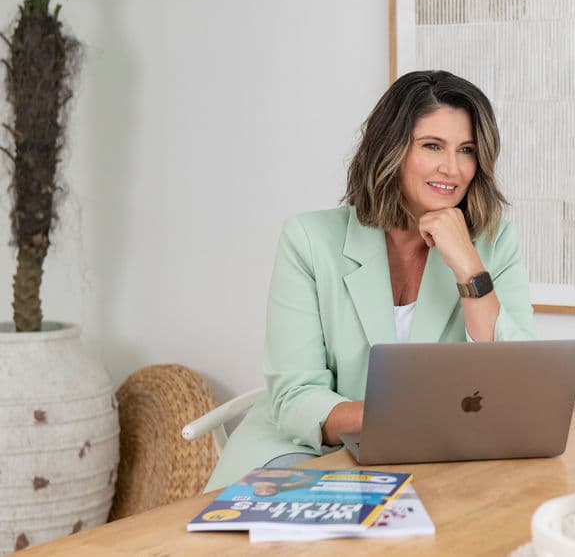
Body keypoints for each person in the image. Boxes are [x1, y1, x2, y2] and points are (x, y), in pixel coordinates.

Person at [205, 70, 536, 490]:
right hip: (305, 453)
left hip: (435, 460)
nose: (452, 168)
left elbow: (518, 385)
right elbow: (295, 395)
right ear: (391, 150)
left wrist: (469, 268)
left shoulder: (492, 243)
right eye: (432, 145)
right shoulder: (309, 240)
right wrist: (405, 418)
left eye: (466, 150)